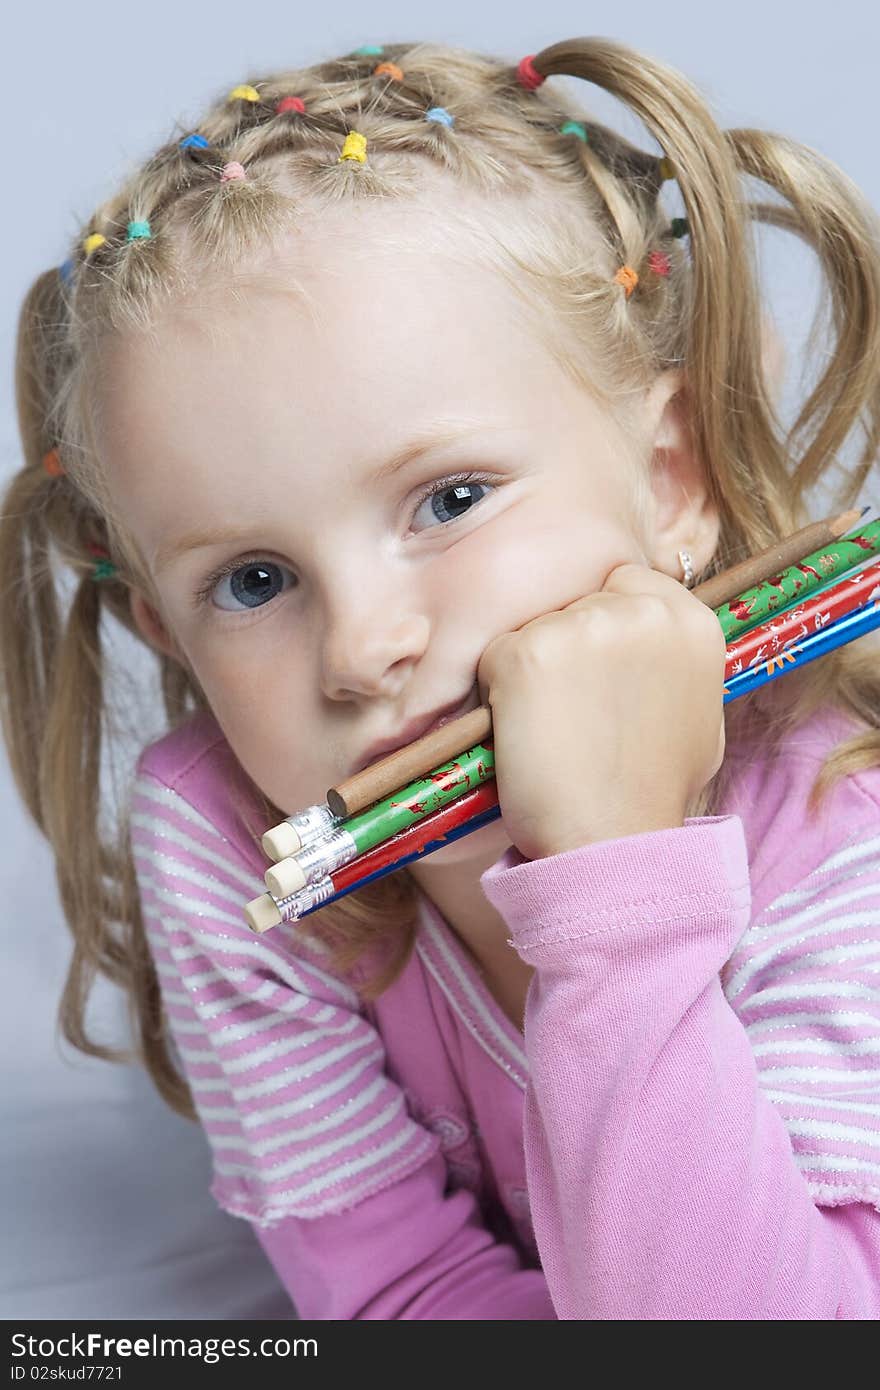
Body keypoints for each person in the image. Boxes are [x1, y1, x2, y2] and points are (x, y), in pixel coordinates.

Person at [3, 36, 880, 1320]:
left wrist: (614, 885)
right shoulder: (233, 845)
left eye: (450, 499)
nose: (362, 648)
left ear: (671, 476)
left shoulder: (833, 827)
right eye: (253, 581)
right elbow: (400, 1299)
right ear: (165, 634)